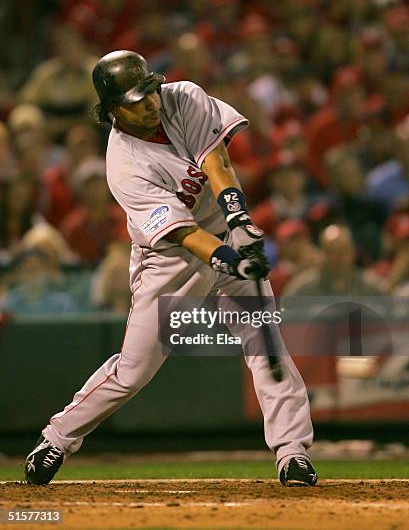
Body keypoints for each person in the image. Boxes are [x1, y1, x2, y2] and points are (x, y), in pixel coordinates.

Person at [24, 50, 317, 488]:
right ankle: (57, 437)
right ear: (110, 111)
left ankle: (292, 452)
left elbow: (216, 163)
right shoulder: (123, 165)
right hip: (169, 260)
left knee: (266, 343)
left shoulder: (183, 97)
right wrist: (231, 259)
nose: (149, 102)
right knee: (133, 371)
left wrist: (237, 220)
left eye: (149, 90)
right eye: (134, 98)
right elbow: (182, 235)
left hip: (221, 231)